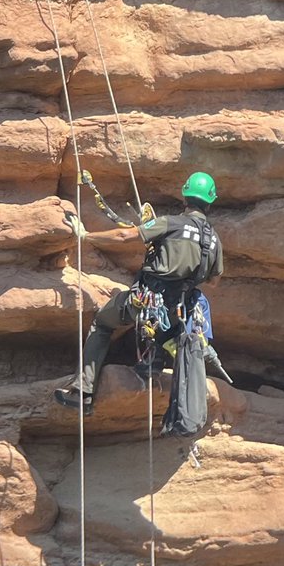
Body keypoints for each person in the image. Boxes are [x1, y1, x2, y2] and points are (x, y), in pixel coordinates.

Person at [54, 171, 223, 415]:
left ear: (185, 196)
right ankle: (153, 363)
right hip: (180, 310)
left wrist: (86, 236)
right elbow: (214, 280)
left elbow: (124, 235)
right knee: (166, 332)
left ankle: (82, 391)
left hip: (149, 300)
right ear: (210, 201)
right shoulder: (213, 240)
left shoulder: (170, 223)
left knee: (102, 323)